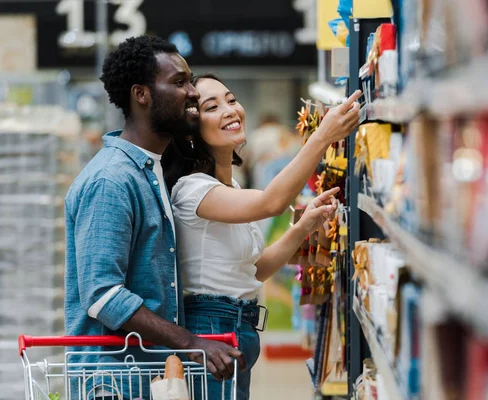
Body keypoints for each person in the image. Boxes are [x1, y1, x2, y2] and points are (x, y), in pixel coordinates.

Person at [64, 37, 245, 399]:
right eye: (179, 83)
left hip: (146, 376)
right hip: (112, 383)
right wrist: (192, 342)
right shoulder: (111, 180)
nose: (193, 92)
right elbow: (102, 295)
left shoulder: (150, 172)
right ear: (141, 94)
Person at [162, 73, 361, 399]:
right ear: (192, 133)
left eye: (231, 99)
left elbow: (254, 270)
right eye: (212, 107)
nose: (230, 110)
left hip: (237, 329)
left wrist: (302, 228)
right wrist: (321, 137)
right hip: (211, 331)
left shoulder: (231, 188)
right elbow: (272, 202)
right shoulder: (192, 189)